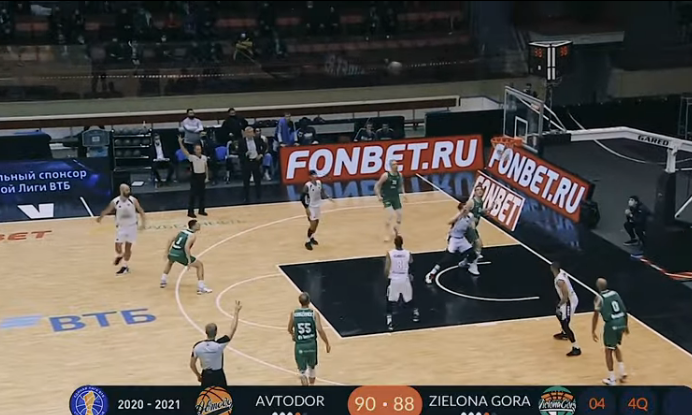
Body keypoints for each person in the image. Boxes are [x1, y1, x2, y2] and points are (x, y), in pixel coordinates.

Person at [96, 183, 146, 275]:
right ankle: (120, 255)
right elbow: (107, 210)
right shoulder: (115, 201)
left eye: (129, 190)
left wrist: (143, 223)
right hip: (121, 227)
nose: (129, 192)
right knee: (117, 246)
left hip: (132, 227)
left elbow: (141, 211)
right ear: (121, 191)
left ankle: (125, 266)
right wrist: (100, 217)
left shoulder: (133, 200)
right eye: (126, 190)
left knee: (128, 247)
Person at [425, 200, 480, 284]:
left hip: (462, 239)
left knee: (473, 255)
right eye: (464, 208)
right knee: (447, 258)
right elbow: (449, 222)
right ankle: (431, 273)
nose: (466, 210)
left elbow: (472, 226)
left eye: (466, 208)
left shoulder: (470, 216)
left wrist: (473, 224)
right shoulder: (458, 216)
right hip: (454, 239)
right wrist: (460, 214)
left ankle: (464, 263)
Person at [190, 300, 242, 387]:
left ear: (206, 332)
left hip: (206, 376)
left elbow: (192, 365)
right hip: (218, 376)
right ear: (216, 332)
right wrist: (236, 312)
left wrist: (198, 375)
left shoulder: (197, 347)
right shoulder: (219, 345)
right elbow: (232, 329)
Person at [287, 292, 331, 386]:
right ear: (309, 302)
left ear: (300, 302)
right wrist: (327, 343)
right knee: (312, 369)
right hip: (311, 345)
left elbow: (289, 328)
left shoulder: (294, 314)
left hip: (300, 345)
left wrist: (293, 335)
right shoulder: (314, 313)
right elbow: (320, 330)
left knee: (302, 373)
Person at [591, 278, 628, 386]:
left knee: (608, 351)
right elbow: (624, 310)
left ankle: (612, 379)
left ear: (597, 287)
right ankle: (622, 371)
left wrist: (593, 330)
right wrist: (626, 325)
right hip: (621, 321)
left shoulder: (599, 298)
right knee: (615, 346)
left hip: (611, 324)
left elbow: (595, 315)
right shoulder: (615, 293)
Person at [160, 219, 212, 294]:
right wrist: (188, 260)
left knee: (170, 262)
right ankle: (201, 287)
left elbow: (170, 239)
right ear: (193, 226)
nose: (199, 226)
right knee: (199, 265)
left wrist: (166, 252)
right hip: (180, 254)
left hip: (172, 252)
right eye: (198, 225)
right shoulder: (192, 236)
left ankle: (163, 280)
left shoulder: (181, 231)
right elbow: (186, 247)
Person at [385, 235, 419, 331]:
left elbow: (387, 268)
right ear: (402, 243)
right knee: (409, 299)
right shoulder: (408, 253)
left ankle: (389, 321)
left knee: (390, 301)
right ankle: (416, 314)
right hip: (404, 278)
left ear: (394, 243)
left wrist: (387, 277)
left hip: (394, 280)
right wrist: (410, 274)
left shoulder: (390, 253)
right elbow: (411, 262)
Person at [551, 262, 582, 357]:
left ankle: (576, 348)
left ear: (553, 269)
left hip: (569, 302)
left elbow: (565, 296)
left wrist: (559, 305)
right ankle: (564, 333)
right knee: (559, 314)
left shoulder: (560, 281)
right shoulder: (562, 273)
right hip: (568, 300)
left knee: (566, 324)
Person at [301, 170, 333, 251]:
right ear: (310, 177)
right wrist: (306, 208)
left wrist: (327, 197)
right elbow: (302, 198)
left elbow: (322, 192)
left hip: (318, 206)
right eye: (313, 175)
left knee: (316, 223)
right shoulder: (307, 185)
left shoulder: (319, 183)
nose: (315, 176)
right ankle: (307, 241)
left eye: (315, 174)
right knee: (313, 225)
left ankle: (312, 238)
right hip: (311, 207)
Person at [178, 136, 209, 218]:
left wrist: (207, 177)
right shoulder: (192, 157)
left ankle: (201, 210)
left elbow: (206, 167)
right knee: (193, 195)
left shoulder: (204, 157)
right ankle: (190, 211)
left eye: (200, 149)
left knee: (202, 195)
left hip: (202, 176)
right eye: (197, 149)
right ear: (194, 150)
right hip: (195, 177)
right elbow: (184, 151)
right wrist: (180, 142)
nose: (199, 151)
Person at [374, 160, 405, 242]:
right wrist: (378, 196)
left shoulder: (400, 175)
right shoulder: (386, 175)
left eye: (396, 164)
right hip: (387, 198)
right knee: (390, 215)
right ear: (390, 166)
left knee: (400, 215)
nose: (396, 166)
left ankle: (396, 230)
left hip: (396, 197)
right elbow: (377, 185)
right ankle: (387, 234)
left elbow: (401, 184)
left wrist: (404, 194)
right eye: (394, 164)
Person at [237, 126, 267, 203]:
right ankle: (246, 197)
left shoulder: (257, 139)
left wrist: (261, 154)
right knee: (246, 180)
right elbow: (239, 153)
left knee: (257, 180)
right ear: (245, 133)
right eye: (248, 132)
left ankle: (259, 196)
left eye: (251, 132)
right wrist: (245, 154)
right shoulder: (241, 141)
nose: (250, 134)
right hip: (246, 162)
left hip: (255, 161)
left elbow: (265, 146)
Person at [466, 185, 485, 260]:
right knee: (478, 243)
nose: (479, 191)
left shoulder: (481, 201)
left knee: (471, 243)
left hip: (474, 226)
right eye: (477, 190)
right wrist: (471, 220)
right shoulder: (471, 202)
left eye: (481, 190)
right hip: (470, 227)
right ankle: (474, 258)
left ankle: (468, 258)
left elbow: (480, 211)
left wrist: (488, 209)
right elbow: (464, 212)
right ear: (475, 192)